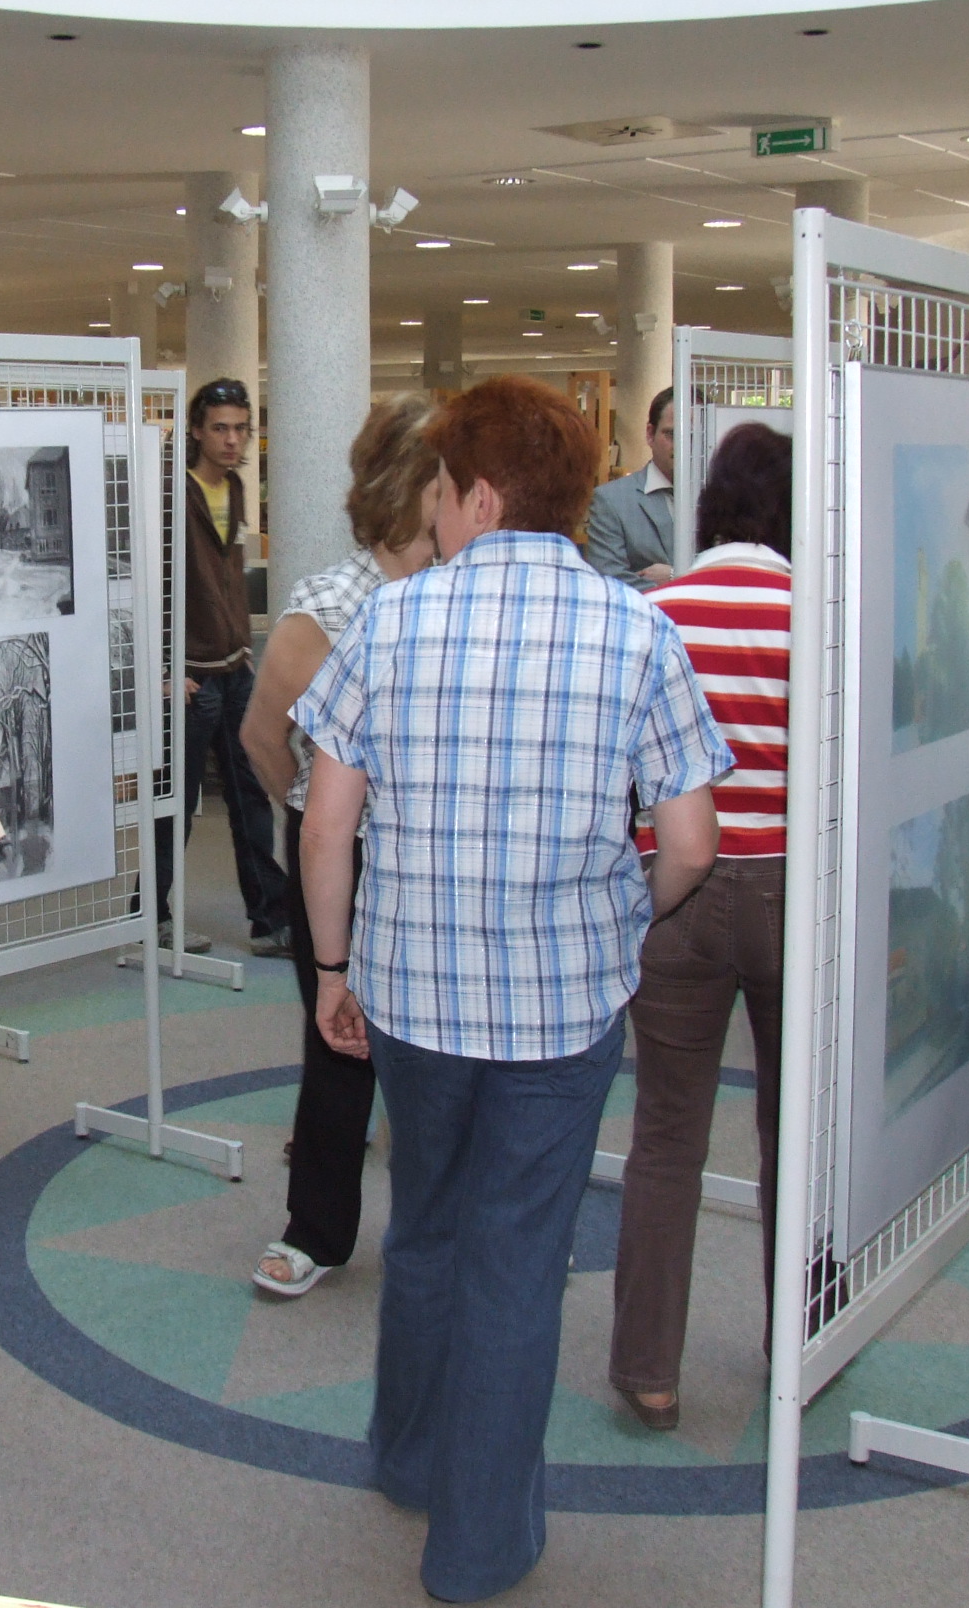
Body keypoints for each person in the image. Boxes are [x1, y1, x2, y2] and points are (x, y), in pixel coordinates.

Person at [294, 377, 730, 1603]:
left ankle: (407, 1457)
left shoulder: (389, 622)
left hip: (413, 996)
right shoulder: (638, 630)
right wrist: (627, 918)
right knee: (518, 1260)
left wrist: (332, 969)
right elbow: (692, 842)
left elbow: (326, 826)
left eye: (440, 490)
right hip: (562, 1004)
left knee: (427, 1223)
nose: (432, 513)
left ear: (479, 497)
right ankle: (479, 1545)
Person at [608, 421, 794, 1430]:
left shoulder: (658, 614)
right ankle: (799, 1339)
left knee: (667, 1135)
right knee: (794, 1133)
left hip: (676, 886)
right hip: (792, 895)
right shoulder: (820, 616)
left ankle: (649, 1369)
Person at [237, 391, 444, 1298]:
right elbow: (260, 737)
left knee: (450, 1043)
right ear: (413, 486)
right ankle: (316, 1229)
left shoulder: (462, 594)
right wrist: (314, 811)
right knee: (341, 1039)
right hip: (344, 853)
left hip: (436, 851)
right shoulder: (329, 606)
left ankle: (465, 1222)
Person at [159, 377, 290, 957]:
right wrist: (163, 667)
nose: (232, 440)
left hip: (235, 668)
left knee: (250, 799)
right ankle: (151, 916)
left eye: (240, 429)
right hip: (189, 676)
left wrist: (242, 643)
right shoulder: (170, 493)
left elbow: (226, 576)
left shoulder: (235, 488)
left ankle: (270, 922)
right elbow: (150, 582)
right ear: (196, 431)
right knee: (176, 805)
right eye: (220, 429)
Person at [583, 383, 677, 591]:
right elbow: (610, 581)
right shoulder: (611, 500)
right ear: (650, 434)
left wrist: (675, 575)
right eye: (671, 435)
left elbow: (731, 574)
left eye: (694, 435)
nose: (683, 444)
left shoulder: (722, 499)